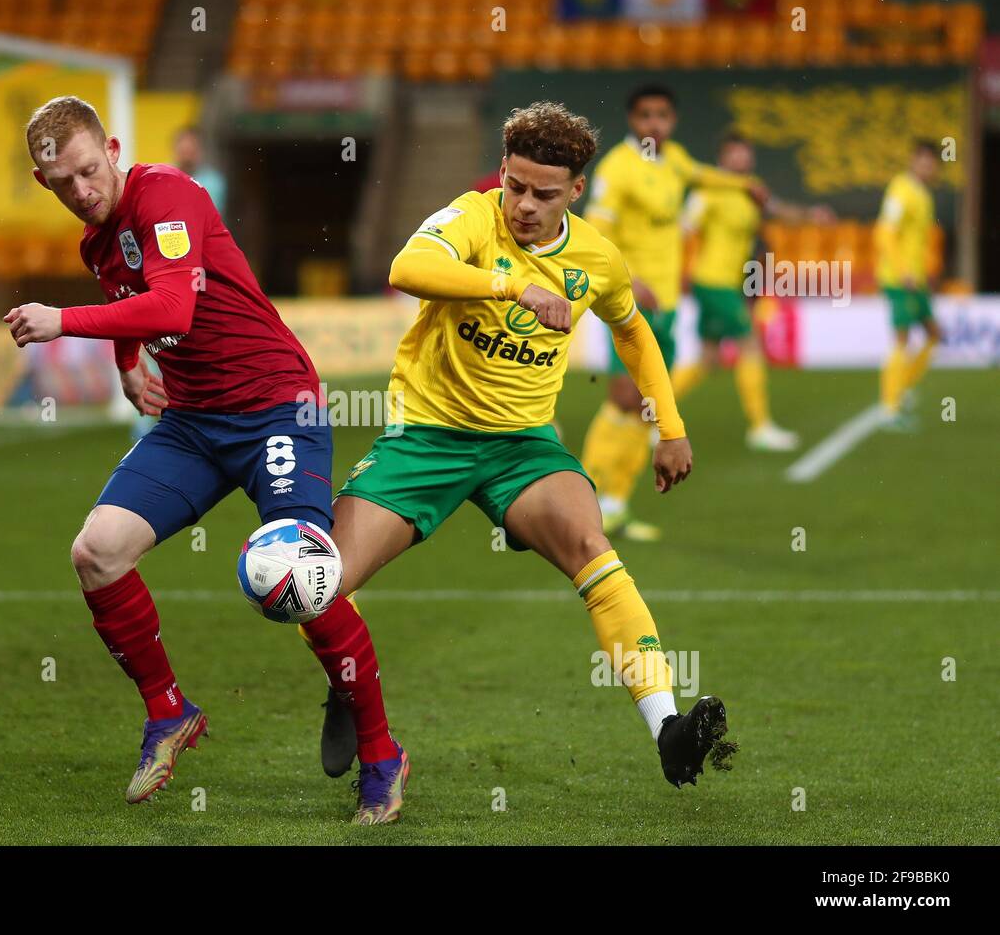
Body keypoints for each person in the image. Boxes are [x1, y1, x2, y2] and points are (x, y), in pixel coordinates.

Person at [4, 95, 406, 824]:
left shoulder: (168, 196)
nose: (81, 191)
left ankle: (382, 755)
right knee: (96, 552)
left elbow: (171, 309)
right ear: (44, 182)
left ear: (114, 148)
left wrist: (64, 323)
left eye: (89, 171)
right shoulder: (96, 241)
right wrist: (129, 362)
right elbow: (131, 298)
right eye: (62, 183)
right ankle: (169, 713)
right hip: (192, 421)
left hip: (278, 405)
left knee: (304, 578)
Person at [323, 102, 735, 794]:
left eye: (544, 193)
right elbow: (407, 267)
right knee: (320, 583)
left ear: (576, 190)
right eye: (515, 186)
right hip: (426, 437)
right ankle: (346, 682)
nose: (523, 205)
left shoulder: (596, 257)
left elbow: (632, 332)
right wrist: (514, 283)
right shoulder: (471, 216)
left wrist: (671, 426)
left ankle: (667, 729)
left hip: (523, 448)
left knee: (593, 551)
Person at [580, 84, 766, 541]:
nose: (654, 124)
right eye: (645, 115)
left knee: (645, 408)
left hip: (665, 303)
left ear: (673, 121)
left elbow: (705, 175)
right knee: (624, 398)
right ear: (632, 120)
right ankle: (582, 496)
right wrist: (626, 278)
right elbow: (595, 232)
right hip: (627, 303)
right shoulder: (617, 170)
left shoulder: (676, 161)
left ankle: (615, 505)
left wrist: (747, 185)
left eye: (662, 115)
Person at [671, 131, 835, 450]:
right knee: (750, 344)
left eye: (744, 153)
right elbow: (683, 230)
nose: (740, 158)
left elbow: (775, 209)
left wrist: (810, 215)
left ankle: (649, 417)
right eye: (734, 153)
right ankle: (760, 427)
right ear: (722, 159)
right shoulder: (708, 192)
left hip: (732, 282)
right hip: (712, 281)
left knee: (708, 358)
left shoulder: (751, 188)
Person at [875, 139, 941, 429]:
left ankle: (900, 387)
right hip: (900, 278)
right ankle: (890, 408)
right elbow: (884, 233)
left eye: (932, 162)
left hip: (917, 279)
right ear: (913, 161)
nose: (927, 166)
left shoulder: (924, 195)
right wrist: (903, 271)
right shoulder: (900, 190)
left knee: (933, 333)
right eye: (923, 160)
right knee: (901, 338)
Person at [172, 125, 227, 215]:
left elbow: (209, 216)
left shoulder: (212, 181)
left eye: (191, 152)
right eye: (184, 151)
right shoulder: (160, 177)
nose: (187, 158)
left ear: (201, 151)